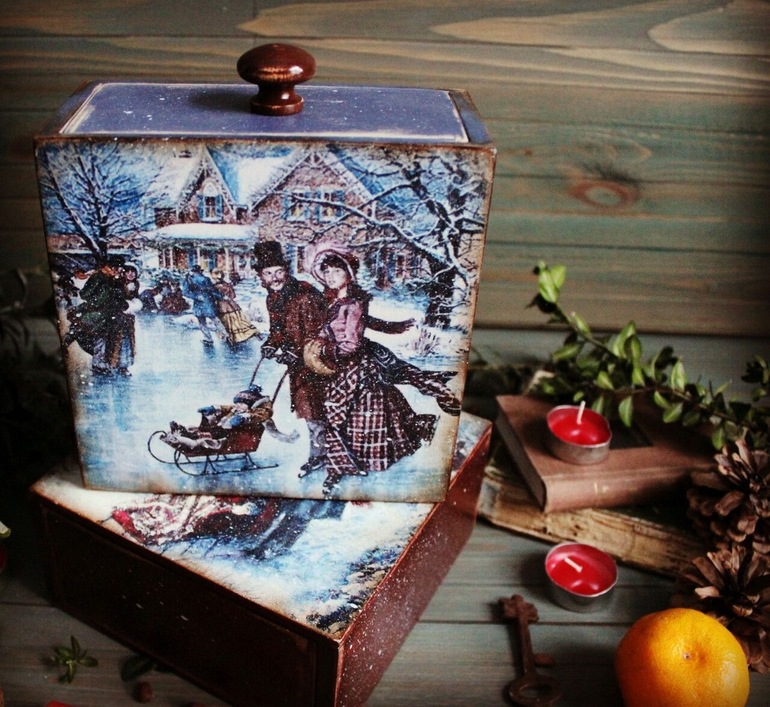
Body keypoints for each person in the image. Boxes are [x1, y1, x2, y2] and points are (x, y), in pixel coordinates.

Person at [307, 244, 461, 493]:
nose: (331, 276)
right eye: (327, 272)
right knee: (361, 413)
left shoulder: (353, 303)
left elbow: (352, 343)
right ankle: (348, 463)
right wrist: (392, 326)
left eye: (337, 271)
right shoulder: (337, 301)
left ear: (348, 274)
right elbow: (355, 324)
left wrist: (325, 351)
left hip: (354, 364)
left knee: (337, 411)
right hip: (345, 362)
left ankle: (343, 466)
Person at [253, 241, 327, 476]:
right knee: (308, 407)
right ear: (261, 276)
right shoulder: (273, 298)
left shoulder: (304, 294)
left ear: (286, 271)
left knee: (314, 407)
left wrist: (295, 352)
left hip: (317, 360)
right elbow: (278, 330)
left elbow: (317, 332)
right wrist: (271, 344)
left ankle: (321, 455)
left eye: (278, 272)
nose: (274, 278)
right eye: (268, 273)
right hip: (298, 362)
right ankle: (322, 452)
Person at [65, 255, 136, 376]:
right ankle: (99, 365)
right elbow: (85, 294)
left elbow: (120, 296)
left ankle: (107, 364)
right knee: (94, 336)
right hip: (96, 313)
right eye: (116, 268)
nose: (118, 271)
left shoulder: (114, 280)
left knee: (108, 338)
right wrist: (100, 298)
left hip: (110, 314)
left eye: (119, 269)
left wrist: (121, 300)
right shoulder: (98, 277)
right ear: (109, 267)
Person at [211, 269, 258, 345]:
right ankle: (240, 336)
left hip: (222, 306)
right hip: (233, 305)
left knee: (226, 322)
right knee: (237, 321)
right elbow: (233, 295)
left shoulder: (214, 287)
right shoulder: (227, 285)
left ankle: (230, 338)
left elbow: (213, 297)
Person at [184, 265, 221, 344]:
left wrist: (195, 296)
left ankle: (208, 338)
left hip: (199, 303)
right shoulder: (206, 279)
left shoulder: (189, 280)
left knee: (202, 322)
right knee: (214, 320)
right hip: (207, 302)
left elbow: (185, 292)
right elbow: (213, 291)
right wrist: (221, 296)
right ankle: (226, 335)